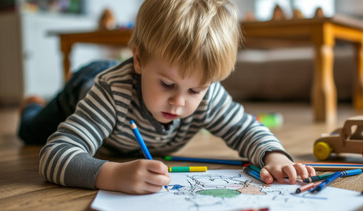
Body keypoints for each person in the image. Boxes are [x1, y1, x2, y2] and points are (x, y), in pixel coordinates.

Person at [19, 0, 316, 195]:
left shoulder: (209, 94)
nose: (179, 102)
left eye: (194, 90)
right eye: (166, 84)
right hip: (84, 87)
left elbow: (246, 129)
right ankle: (33, 104)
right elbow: (54, 156)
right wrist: (112, 175)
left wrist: (274, 157)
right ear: (138, 59)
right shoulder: (112, 93)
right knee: (31, 131)